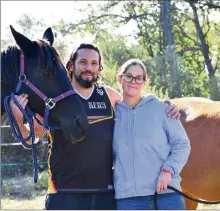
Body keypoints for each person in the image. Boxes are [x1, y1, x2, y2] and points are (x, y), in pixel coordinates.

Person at [10, 43, 180, 210]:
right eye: (83, 62)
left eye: (94, 63)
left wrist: (164, 106)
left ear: (99, 68)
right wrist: (18, 120)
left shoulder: (110, 97)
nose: (88, 68)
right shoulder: (54, 99)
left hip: (105, 196)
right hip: (64, 195)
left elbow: (137, 109)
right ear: (70, 65)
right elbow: (31, 140)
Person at [113, 58, 191, 210]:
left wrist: (168, 170)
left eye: (139, 78)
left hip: (166, 195)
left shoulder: (162, 109)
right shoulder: (112, 114)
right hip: (129, 199)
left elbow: (182, 144)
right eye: (129, 76)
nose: (133, 81)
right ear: (120, 79)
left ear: (144, 83)